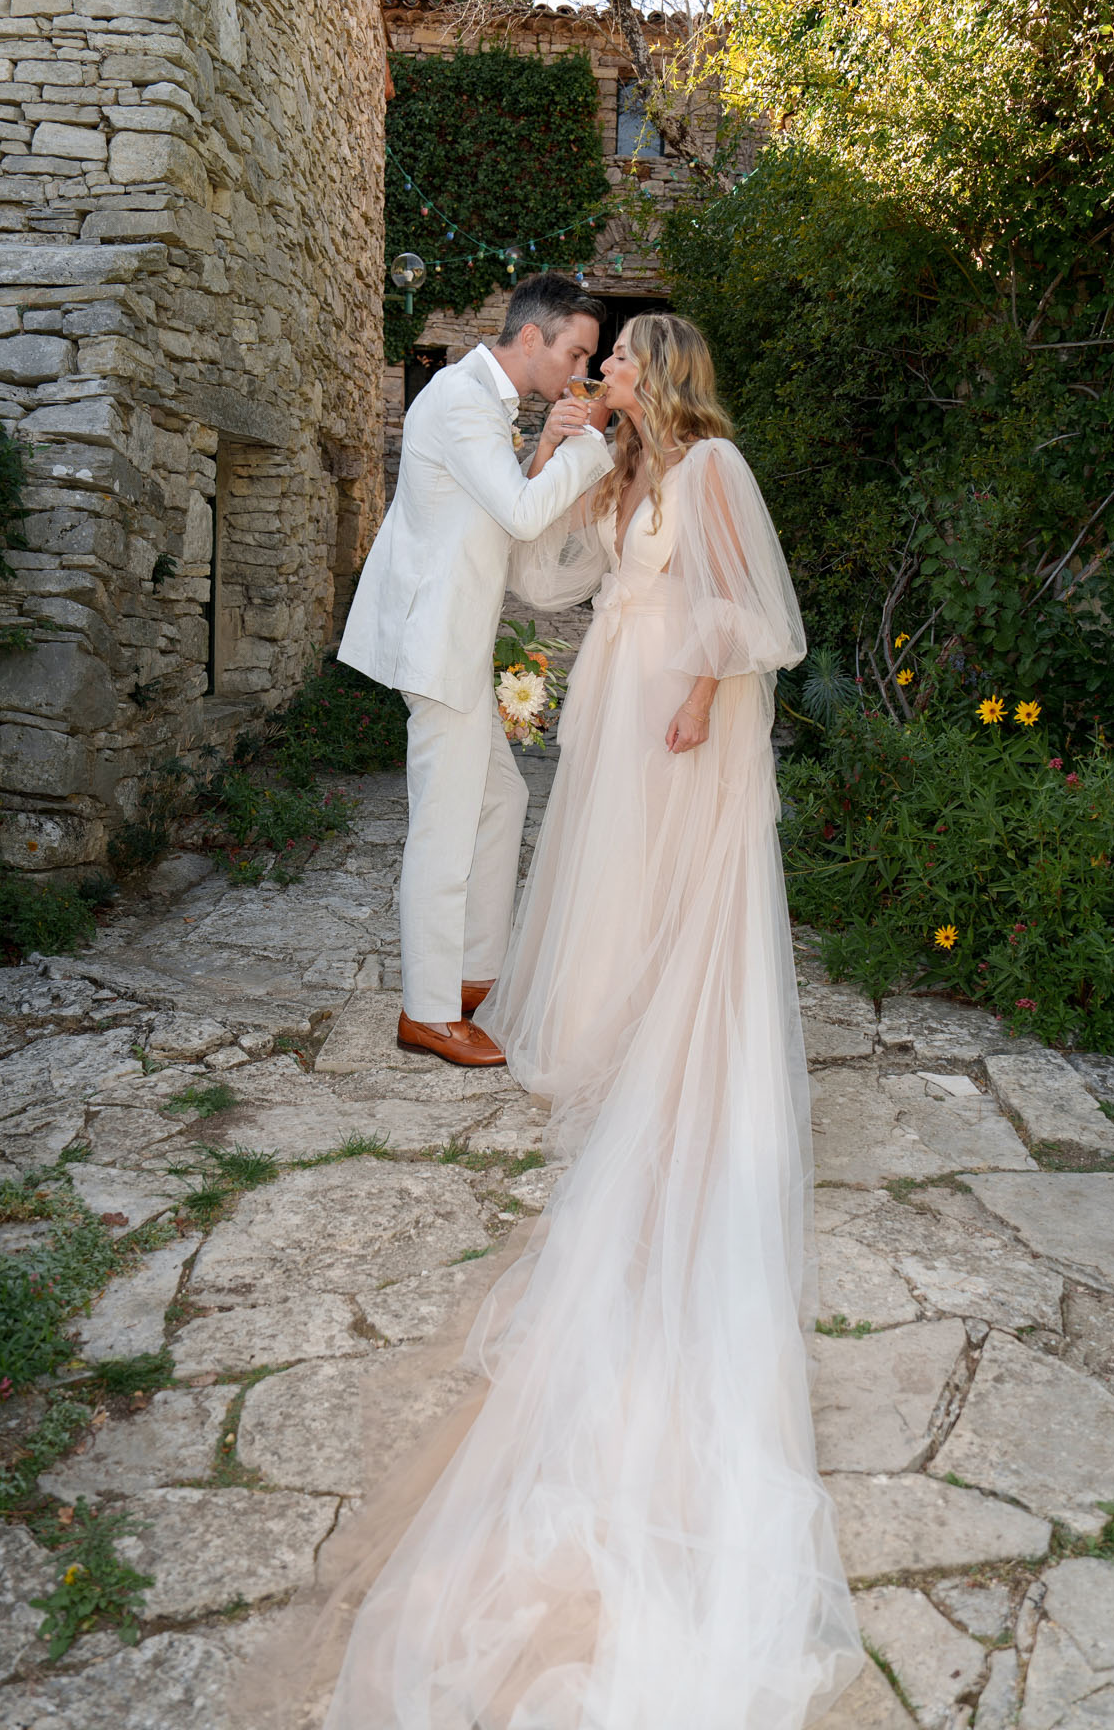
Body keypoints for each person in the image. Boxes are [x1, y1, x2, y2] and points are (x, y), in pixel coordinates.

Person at [323, 313, 862, 1729]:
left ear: (659, 375)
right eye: (590, 355)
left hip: (676, 712)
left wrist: (689, 690)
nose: (599, 370)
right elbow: (557, 574)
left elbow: (757, 617)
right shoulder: (624, 475)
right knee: (594, 872)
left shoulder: (711, 471)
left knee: (656, 878)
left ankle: (617, 1012)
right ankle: (555, 1006)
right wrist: (567, 486)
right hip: (609, 700)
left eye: (615, 360)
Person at [336, 273, 613, 1069]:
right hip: (437, 645)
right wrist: (590, 443)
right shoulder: (460, 398)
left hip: (449, 641)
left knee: (504, 795)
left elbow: (501, 498)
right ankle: (427, 1010)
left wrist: (548, 445)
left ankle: (471, 974)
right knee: (444, 829)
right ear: (531, 338)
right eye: (574, 354)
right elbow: (524, 514)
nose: (578, 373)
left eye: (588, 361)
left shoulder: (482, 402)